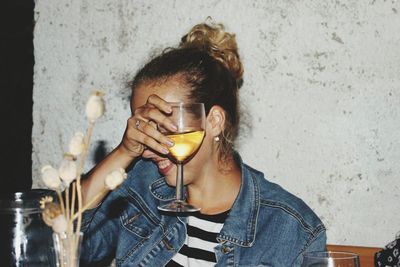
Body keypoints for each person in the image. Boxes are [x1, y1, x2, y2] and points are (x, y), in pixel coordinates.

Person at [80, 22, 326, 267]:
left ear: (214, 122)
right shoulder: (139, 188)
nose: (151, 144)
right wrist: (123, 152)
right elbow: (60, 242)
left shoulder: (290, 227)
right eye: (144, 127)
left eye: (164, 126)